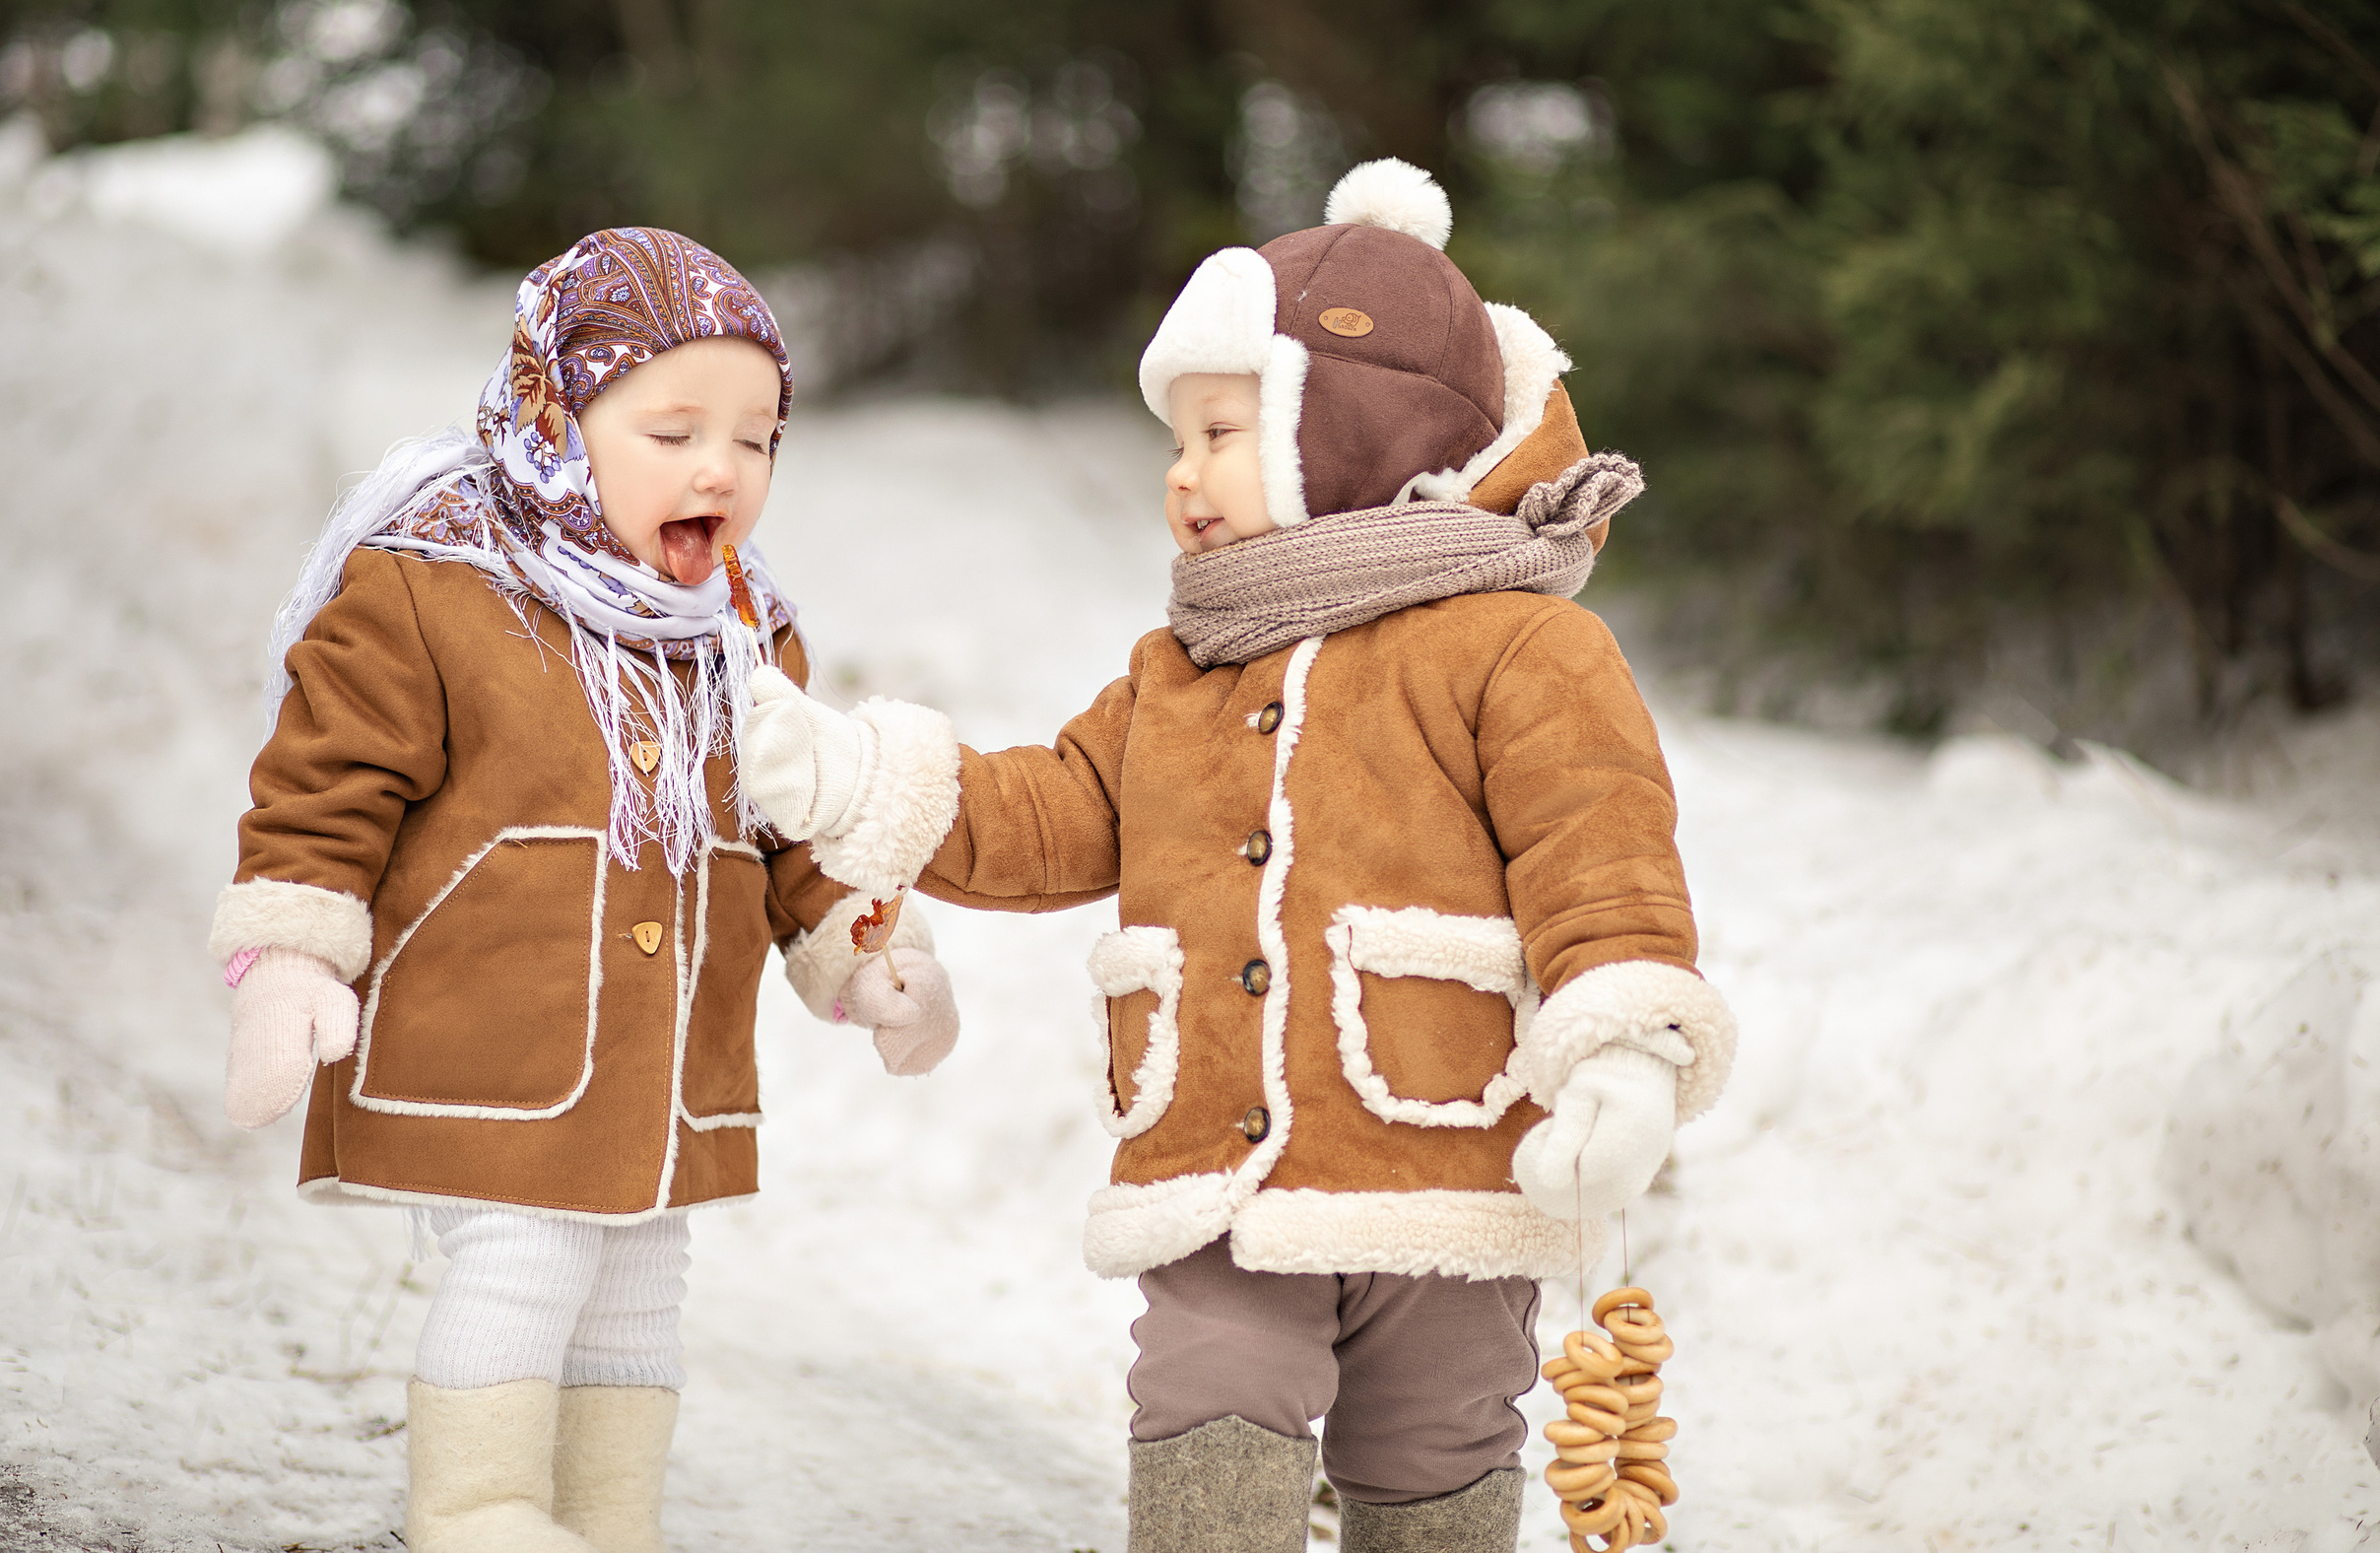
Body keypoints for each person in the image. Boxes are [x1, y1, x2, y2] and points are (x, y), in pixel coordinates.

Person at [742, 164, 1737, 1552]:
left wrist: (1624, 1048)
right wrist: (854, 779)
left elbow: (1602, 849)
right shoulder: (1182, 669)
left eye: (1224, 431)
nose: (1183, 474)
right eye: (1180, 440)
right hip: (1223, 1159)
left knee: (1438, 1430)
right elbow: (1050, 812)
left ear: (1353, 427)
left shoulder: (1519, 645)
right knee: (1209, 1391)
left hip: (1443, 1158)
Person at [208, 227, 957, 1553]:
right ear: (556, 409)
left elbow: (793, 813)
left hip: (659, 1056)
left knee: (638, 1282)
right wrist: (290, 954)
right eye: (673, 431)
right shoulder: (432, 582)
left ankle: (610, 1523)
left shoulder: (743, 626)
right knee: (525, 1256)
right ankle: (478, 1510)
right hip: (490, 1028)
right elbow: (328, 781)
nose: (722, 469)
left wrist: (863, 942)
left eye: (759, 440)